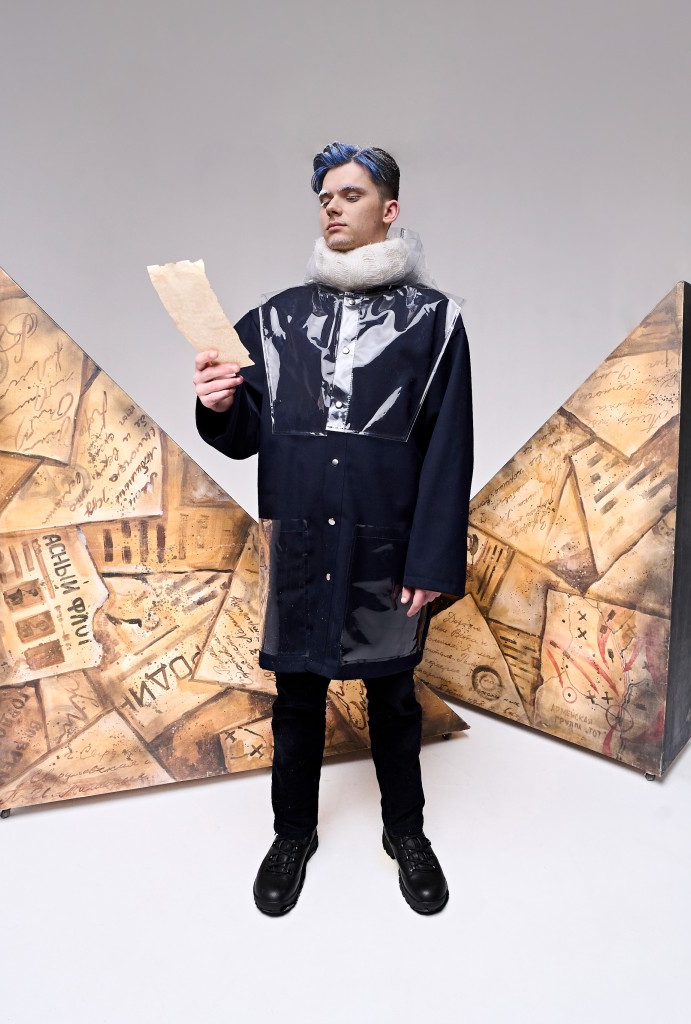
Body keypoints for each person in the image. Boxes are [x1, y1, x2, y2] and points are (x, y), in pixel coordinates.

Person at [193, 142, 473, 916]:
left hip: (388, 547)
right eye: (325, 196)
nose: (332, 206)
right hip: (303, 543)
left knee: (394, 697)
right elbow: (243, 429)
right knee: (296, 696)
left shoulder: (434, 323)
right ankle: (293, 834)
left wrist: (430, 561)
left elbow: (449, 450)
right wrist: (219, 402)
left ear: (389, 210)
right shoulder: (276, 318)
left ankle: (405, 831)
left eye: (351, 194)